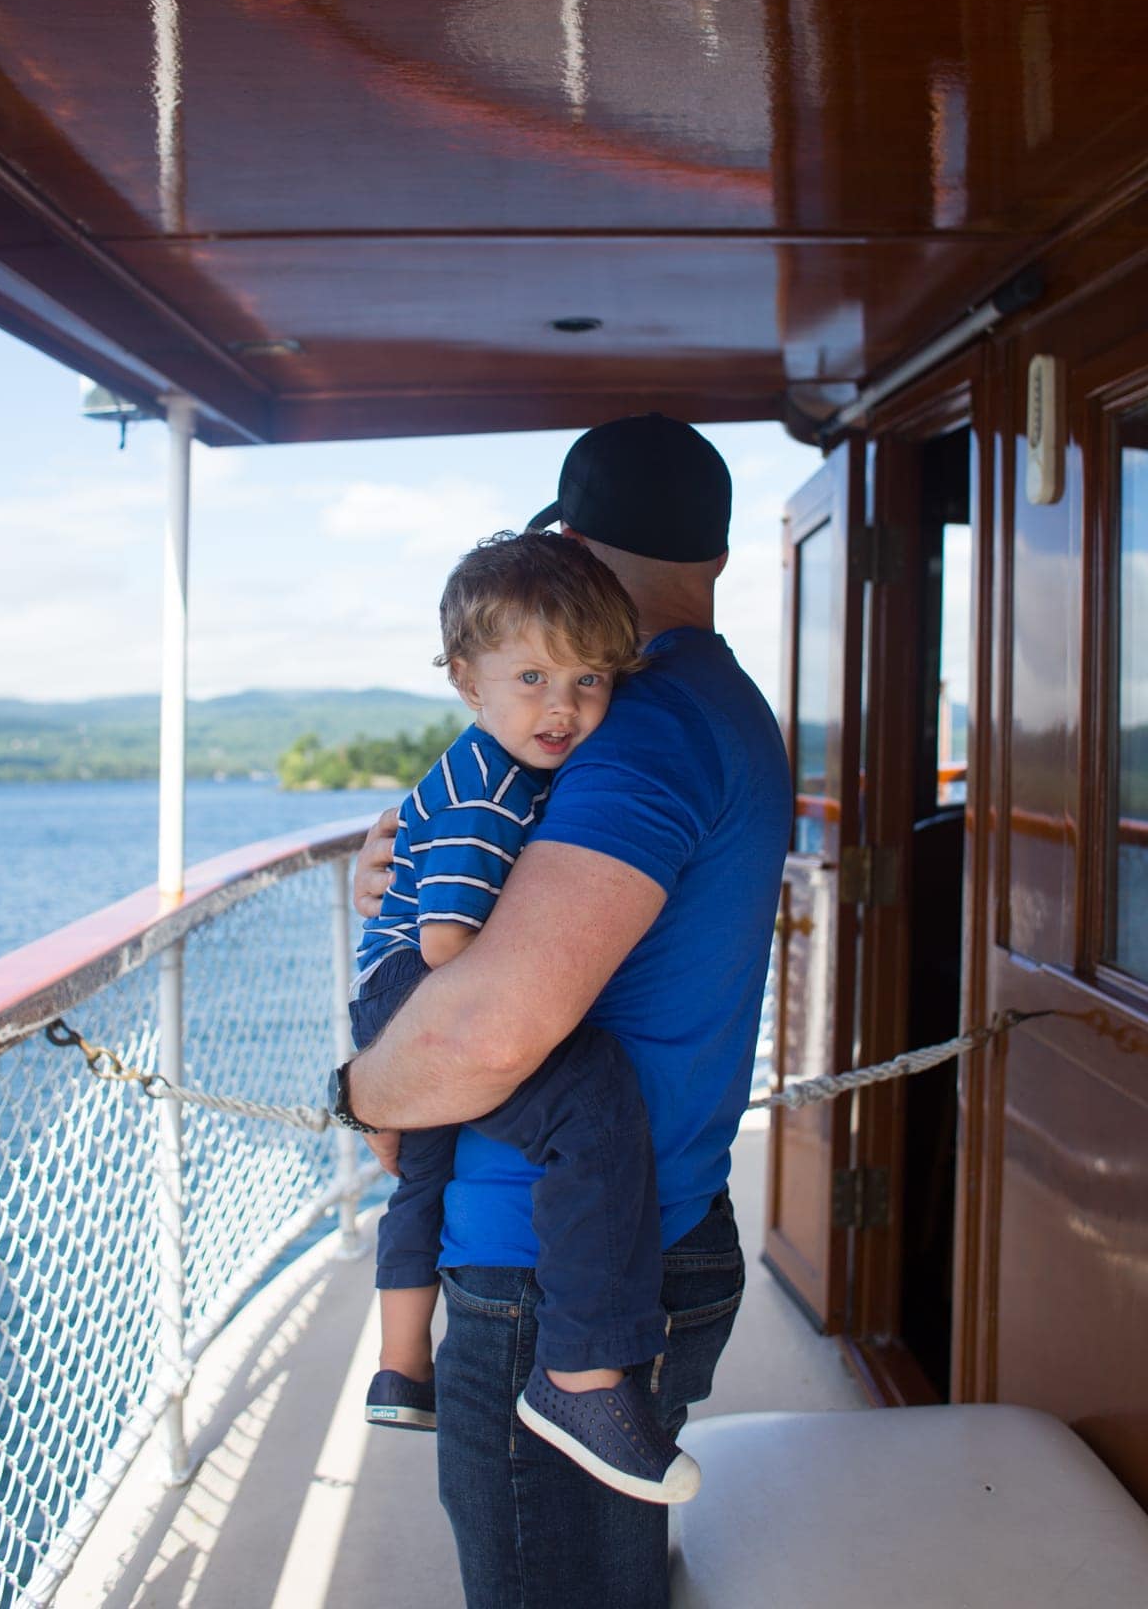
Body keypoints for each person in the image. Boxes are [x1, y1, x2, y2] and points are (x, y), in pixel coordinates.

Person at [342, 414, 793, 1609]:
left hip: (547, 1268)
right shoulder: (714, 703)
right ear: (720, 558)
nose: (561, 694)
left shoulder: (636, 725)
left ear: (577, 549)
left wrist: (360, 1090)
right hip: (660, 1220)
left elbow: (490, 1030)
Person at [336, 529, 699, 1503]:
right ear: (467, 679)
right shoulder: (495, 785)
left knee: (423, 1175)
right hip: (422, 981)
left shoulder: (490, 763)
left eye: (588, 681)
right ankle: (580, 1373)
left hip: (391, 985)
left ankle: (399, 1368)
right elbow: (454, 951)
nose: (564, 708)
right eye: (534, 678)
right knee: (589, 1095)